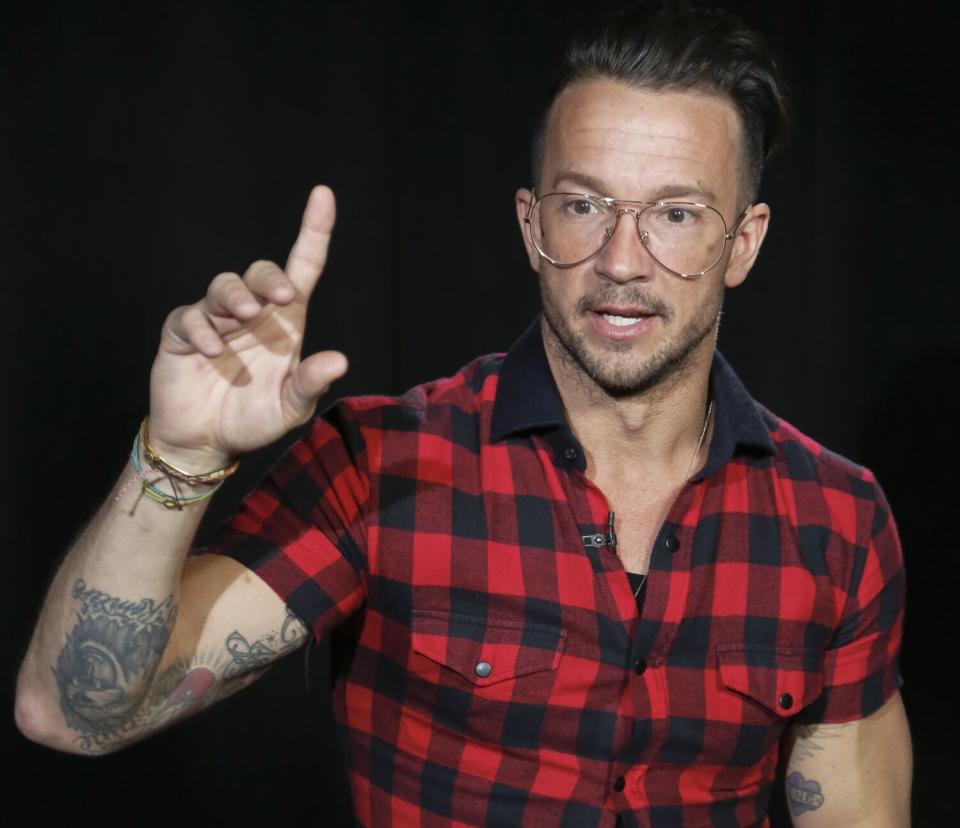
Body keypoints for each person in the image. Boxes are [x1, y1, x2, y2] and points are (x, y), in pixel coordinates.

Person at [15, 3, 910, 826]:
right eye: (584, 206)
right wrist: (178, 456)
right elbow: (72, 714)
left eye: (675, 213)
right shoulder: (382, 466)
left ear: (741, 242)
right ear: (531, 226)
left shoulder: (836, 521)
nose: (621, 260)